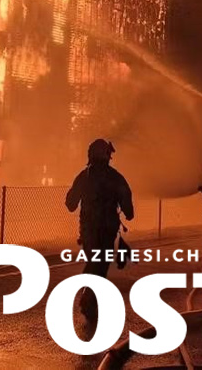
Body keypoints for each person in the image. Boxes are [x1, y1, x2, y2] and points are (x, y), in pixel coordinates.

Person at [65, 138, 134, 325]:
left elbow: (70, 204)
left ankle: (89, 299)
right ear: (107, 155)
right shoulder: (115, 178)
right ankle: (89, 299)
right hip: (107, 231)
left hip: (88, 231)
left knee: (94, 261)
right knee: (101, 265)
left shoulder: (83, 177)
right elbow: (128, 209)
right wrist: (127, 211)